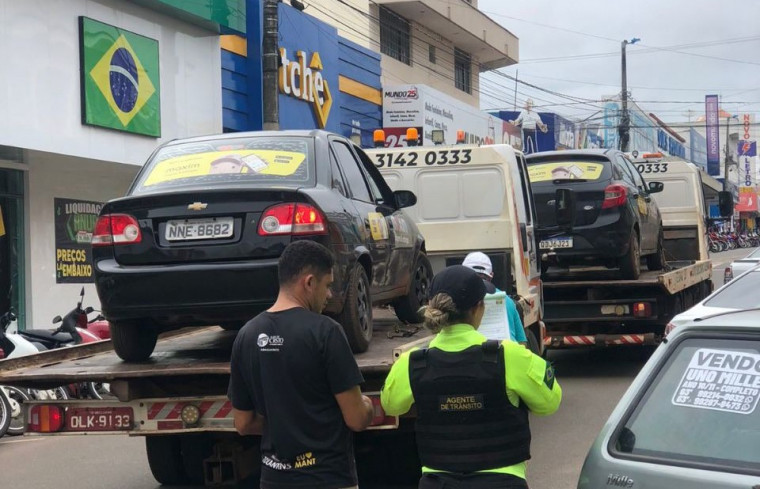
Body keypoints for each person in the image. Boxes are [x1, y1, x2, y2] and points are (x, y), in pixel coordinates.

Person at [381, 265, 561, 489]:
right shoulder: (509, 356)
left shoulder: (411, 363)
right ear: (479, 308)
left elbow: (391, 406)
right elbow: (550, 402)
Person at [228, 240, 374, 489]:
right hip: (327, 477)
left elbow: (243, 424)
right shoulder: (326, 332)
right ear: (309, 282)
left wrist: (283, 423)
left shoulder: (247, 335)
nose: (329, 295)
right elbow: (356, 419)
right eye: (327, 285)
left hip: (274, 479)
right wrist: (367, 406)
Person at [462, 252, 527, 345]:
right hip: (508, 355)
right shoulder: (508, 301)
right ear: (491, 275)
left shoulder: (458, 300)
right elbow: (522, 342)